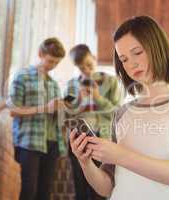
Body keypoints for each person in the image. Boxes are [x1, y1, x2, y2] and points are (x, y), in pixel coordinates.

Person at [69, 16, 169, 200]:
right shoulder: (122, 113)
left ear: (157, 47)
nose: (131, 64)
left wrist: (120, 155)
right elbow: (106, 187)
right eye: (124, 59)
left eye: (137, 52)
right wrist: (85, 162)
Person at [7, 37, 67, 200]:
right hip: (29, 143)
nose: (52, 66)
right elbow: (13, 109)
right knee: (29, 190)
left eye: (56, 63)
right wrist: (44, 108)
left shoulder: (54, 84)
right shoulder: (22, 76)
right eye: (50, 61)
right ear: (40, 54)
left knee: (45, 191)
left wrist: (60, 109)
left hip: (52, 142)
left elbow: (56, 116)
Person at [64, 44, 121, 200]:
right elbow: (66, 116)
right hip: (78, 139)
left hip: (102, 137)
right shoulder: (71, 85)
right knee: (80, 184)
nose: (87, 70)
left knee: (100, 187)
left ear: (94, 58)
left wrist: (98, 98)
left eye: (89, 65)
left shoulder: (111, 82)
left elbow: (117, 113)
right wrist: (78, 101)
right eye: (82, 68)